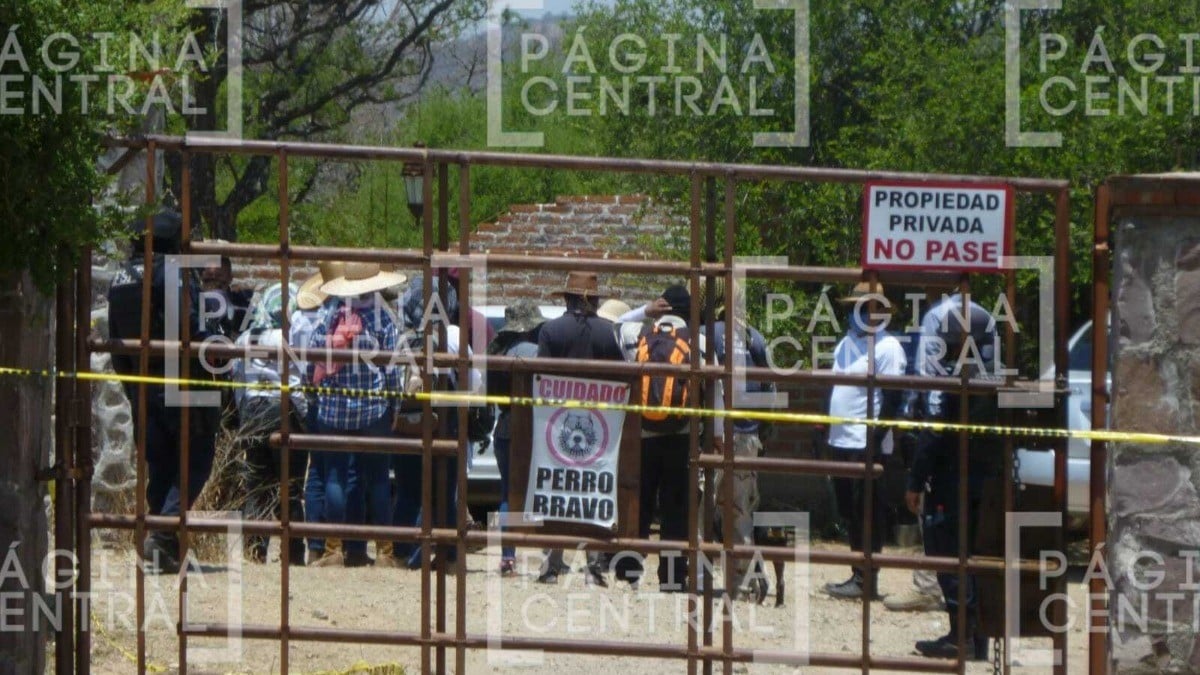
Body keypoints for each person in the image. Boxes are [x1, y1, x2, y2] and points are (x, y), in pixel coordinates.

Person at [107, 210, 222, 574]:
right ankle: (163, 530)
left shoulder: (121, 277)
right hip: (179, 379)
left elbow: (115, 340)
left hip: (142, 382)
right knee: (196, 457)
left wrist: (131, 386)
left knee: (162, 464)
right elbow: (183, 326)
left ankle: (163, 546)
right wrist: (213, 345)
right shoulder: (169, 270)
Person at [906, 300, 1000, 660]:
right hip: (988, 484)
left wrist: (915, 480)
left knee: (948, 555)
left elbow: (934, 433)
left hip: (951, 481)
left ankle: (961, 635)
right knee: (976, 558)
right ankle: (977, 638)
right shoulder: (998, 378)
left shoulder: (952, 380)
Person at [884, 289, 988, 613]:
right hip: (979, 449)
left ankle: (932, 589)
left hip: (942, 442)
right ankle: (971, 622)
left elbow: (930, 383)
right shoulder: (985, 315)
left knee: (938, 524)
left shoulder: (937, 318)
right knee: (969, 533)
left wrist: (915, 423)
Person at [305, 262, 407, 567]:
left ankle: (333, 548)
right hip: (373, 407)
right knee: (377, 479)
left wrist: (314, 395)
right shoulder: (381, 318)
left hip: (334, 408)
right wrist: (395, 405)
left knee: (335, 475)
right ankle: (385, 551)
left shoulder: (330, 315)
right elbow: (391, 368)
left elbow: (312, 359)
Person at [385, 273, 482, 570]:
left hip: (406, 424)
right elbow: (474, 382)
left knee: (408, 490)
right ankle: (448, 555)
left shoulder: (398, 333)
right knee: (445, 488)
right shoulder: (451, 335)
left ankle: (401, 553)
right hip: (444, 422)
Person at [612, 284, 704, 592]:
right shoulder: (698, 341)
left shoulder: (637, 336)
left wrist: (644, 311)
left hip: (642, 434)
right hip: (682, 435)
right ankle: (673, 577)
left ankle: (628, 571)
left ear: (661, 308)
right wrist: (715, 434)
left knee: (638, 501)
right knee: (676, 506)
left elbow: (615, 324)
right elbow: (714, 390)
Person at [536, 271, 625, 586]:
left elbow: (541, 376)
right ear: (594, 300)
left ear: (566, 298)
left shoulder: (550, 331)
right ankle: (594, 568)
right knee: (595, 489)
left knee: (554, 489)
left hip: (557, 422)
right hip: (600, 423)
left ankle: (551, 564)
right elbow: (620, 378)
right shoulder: (609, 333)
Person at [822, 281, 906, 600]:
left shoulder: (888, 348)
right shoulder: (846, 343)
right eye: (854, 306)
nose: (856, 312)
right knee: (849, 511)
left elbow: (893, 399)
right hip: (841, 440)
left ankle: (866, 577)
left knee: (867, 511)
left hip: (865, 443)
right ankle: (857, 570)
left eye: (864, 306)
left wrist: (876, 439)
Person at [702, 278, 778, 601]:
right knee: (740, 511)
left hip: (713, 435)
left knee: (704, 508)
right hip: (746, 434)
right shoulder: (753, 337)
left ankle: (699, 579)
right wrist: (761, 429)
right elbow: (771, 389)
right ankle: (743, 584)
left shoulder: (706, 335)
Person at [231, 282, 307, 564]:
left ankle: (255, 549)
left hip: (253, 411)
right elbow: (302, 379)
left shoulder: (245, 337)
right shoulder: (294, 337)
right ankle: (294, 551)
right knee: (291, 485)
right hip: (284, 412)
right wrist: (303, 416)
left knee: (257, 483)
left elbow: (237, 378)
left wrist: (244, 413)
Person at [485, 300, 546, 576]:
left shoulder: (497, 353)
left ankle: (507, 556)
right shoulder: (538, 352)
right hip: (533, 426)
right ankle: (550, 555)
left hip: (505, 427)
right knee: (543, 490)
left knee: (507, 491)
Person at [290, 261, 343, 563]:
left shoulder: (299, 318)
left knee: (317, 471)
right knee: (337, 468)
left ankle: (316, 545)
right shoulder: (331, 317)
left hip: (308, 396)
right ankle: (336, 542)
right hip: (331, 395)